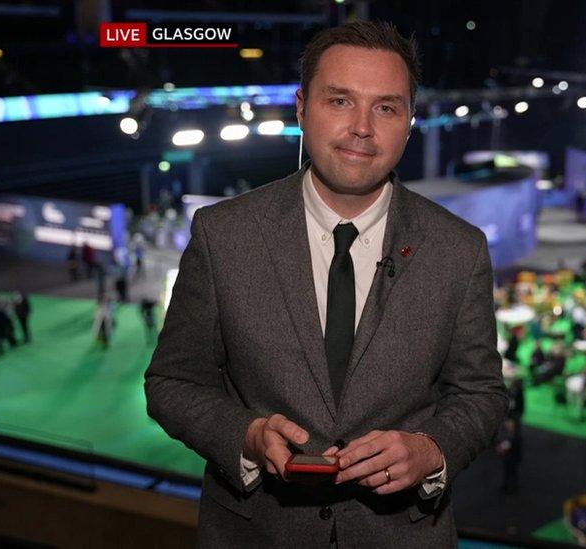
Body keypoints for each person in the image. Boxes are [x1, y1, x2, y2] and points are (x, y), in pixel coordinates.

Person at [144, 21, 508, 548]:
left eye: (386, 107)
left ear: (409, 121)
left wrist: (431, 450)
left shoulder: (459, 249)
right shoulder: (224, 235)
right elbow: (172, 384)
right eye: (340, 101)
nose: (362, 127)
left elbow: (481, 393)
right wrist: (245, 436)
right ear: (300, 108)